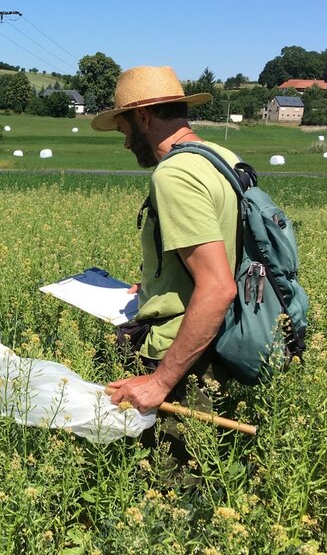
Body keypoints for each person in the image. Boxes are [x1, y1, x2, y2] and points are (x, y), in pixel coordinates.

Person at [90, 65, 241, 444]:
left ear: (143, 116)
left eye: (124, 130)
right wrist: (161, 282)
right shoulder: (220, 157)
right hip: (222, 342)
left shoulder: (174, 174)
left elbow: (218, 287)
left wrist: (160, 381)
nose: (125, 144)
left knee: (168, 484)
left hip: (185, 355)